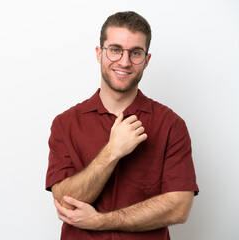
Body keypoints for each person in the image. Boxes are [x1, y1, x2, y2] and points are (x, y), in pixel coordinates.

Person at [45, 11, 199, 240]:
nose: (124, 62)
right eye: (115, 50)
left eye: (135, 53)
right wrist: (112, 151)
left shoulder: (171, 125)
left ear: (146, 60)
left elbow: (179, 207)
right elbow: (65, 203)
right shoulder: (65, 124)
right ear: (99, 53)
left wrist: (100, 221)